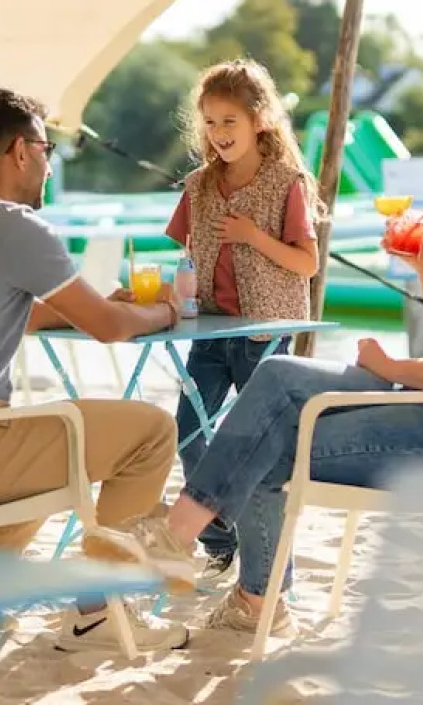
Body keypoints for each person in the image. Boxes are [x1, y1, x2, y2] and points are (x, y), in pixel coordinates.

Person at [87, 78, 423, 638]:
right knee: (278, 377)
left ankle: (212, 565)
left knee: (270, 438)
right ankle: (209, 564)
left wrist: (393, 369)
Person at [0, 88, 190, 652]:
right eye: (47, 148)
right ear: (21, 151)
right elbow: (109, 330)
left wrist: (111, 308)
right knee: (150, 432)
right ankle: (102, 608)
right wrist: (163, 310)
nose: (50, 164)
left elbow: (6, 313)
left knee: (43, 434)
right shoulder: (14, 226)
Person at [162, 59, 319, 583]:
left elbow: (308, 263)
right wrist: (169, 294)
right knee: (190, 431)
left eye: (230, 121)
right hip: (210, 331)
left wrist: (254, 237)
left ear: (259, 121)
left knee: (259, 447)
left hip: (265, 335)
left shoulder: (286, 182)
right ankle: (219, 542)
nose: (219, 133)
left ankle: (266, 565)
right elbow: (185, 257)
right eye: (210, 122)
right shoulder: (200, 185)